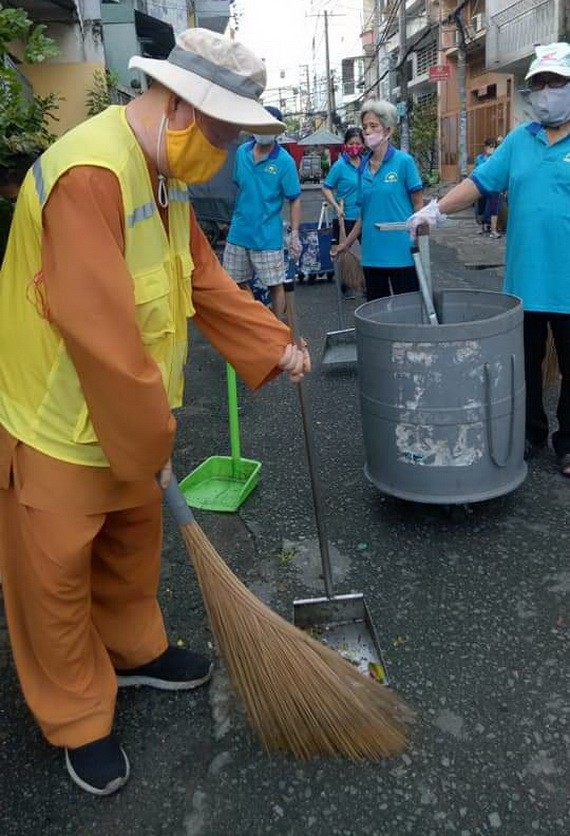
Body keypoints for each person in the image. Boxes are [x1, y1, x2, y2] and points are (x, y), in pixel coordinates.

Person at [0, 27, 311, 797]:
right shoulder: (91, 175)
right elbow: (103, 336)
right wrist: (151, 443)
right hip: (59, 425)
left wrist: (275, 346)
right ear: (176, 105)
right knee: (57, 578)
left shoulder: (162, 177)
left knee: (131, 549)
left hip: (130, 417)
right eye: (225, 132)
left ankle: (135, 653)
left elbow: (202, 283)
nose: (233, 150)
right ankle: (77, 715)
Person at [408, 42, 570, 478]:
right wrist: (436, 210)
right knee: (524, 367)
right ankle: (532, 434)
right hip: (526, 281)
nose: (546, 92)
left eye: (556, 83)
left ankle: (568, 443)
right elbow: (479, 182)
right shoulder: (520, 139)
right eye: (539, 84)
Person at [335, 99, 424, 301]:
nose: (367, 132)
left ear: (388, 130)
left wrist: (419, 238)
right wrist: (346, 244)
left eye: (373, 126)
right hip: (372, 256)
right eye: (365, 127)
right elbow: (363, 216)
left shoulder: (404, 162)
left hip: (402, 253)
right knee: (376, 314)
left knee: (407, 312)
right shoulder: (362, 168)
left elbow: (418, 205)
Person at [223, 106, 301, 319]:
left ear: (278, 130)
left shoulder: (284, 161)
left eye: (270, 125)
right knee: (234, 280)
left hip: (268, 236)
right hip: (239, 231)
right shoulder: (241, 153)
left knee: (275, 284)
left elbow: (294, 198)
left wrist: (294, 234)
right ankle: (257, 318)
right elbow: (240, 185)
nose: (264, 129)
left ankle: (275, 327)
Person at [322, 126, 365, 298]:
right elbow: (326, 188)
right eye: (351, 143)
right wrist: (336, 205)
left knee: (366, 253)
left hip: (363, 216)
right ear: (345, 145)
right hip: (344, 217)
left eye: (358, 143)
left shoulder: (366, 163)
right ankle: (347, 286)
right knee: (344, 252)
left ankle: (365, 284)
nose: (355, 146)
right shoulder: (339, 166)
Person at [473, 138, 502, 238]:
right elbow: (476, 171)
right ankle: (481, 226)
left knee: (494, 208)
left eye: (493, 146)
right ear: (485, 147)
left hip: (494, 186)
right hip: (482, 185)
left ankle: (493, 230)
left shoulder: (497, 158)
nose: (491, 148)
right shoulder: (480, 158)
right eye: (489, 146)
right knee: (481, 207)